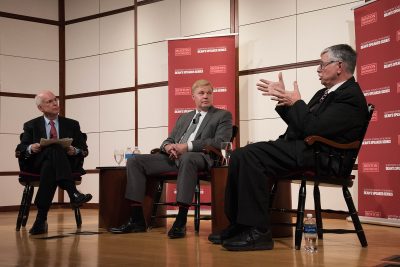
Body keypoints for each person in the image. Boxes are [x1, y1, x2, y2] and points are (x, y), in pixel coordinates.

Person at [218, 44, 369, 251]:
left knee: (251, 155)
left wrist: (296, 102)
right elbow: (303, 124)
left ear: (339, 66)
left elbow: (313, 127)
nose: (318, 69)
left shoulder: (350, 96)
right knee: (240, 155)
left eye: (322, 64)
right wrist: (285, 101)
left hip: (323, 156)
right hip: (305, 149)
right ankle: (240, 225)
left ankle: (258, 232)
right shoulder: (322, 93)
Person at [109, 79, 233, 238]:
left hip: (202, 159)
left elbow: (219, 142)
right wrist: (168, 147)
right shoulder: (184, 117)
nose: (206, 96)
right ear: (193, 96)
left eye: (209, 93)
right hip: (175, 158)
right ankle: (136, 220)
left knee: (188, 158)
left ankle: (180, 221)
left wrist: (186, 146)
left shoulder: (222, 115)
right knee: (135, 160)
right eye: (201, 93)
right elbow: (169, 139)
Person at [16, 90, 92, 235]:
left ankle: (41, 219)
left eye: (55, 100)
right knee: (53, 148)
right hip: (36, 165)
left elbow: (84, 150)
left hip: (62, 165)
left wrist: (74, 150)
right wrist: (32, 147)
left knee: (50, 163)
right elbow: (21, 148)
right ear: (40, 108)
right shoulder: (31, 125)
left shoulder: (72, 124)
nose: (55, 103)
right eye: (49, 102)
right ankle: (73, 192)